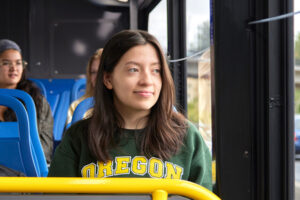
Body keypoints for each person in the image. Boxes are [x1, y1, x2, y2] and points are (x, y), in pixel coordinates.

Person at [48, 30, 212, 190]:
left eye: (156, 70)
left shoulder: (188, 138)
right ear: (108, 79)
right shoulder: (78, 138)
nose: (147, 81)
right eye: (133, 69)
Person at [0, 39, 53, 164]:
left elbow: (43, 147)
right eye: (6, 63)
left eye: (18, 63)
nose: (14, 68)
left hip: (27, 168)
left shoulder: (34, 99)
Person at [65, 48, 103, 128]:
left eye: (101, 71)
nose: (97, 77)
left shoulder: (125, 104)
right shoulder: (76, 106)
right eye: (93, 72)